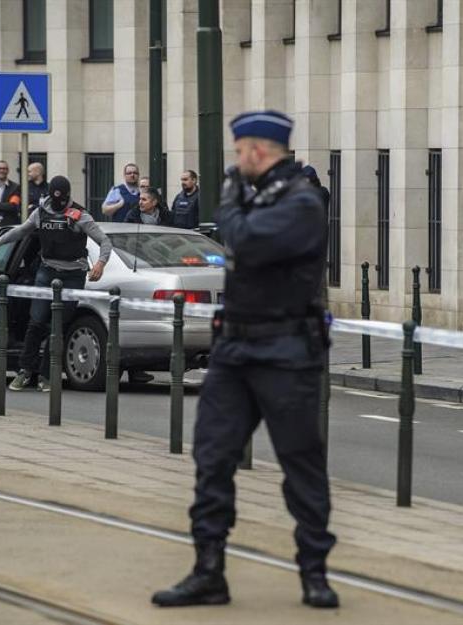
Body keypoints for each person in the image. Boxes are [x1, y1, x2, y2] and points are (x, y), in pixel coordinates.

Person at [152, 110, 338, 609]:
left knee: (301, 464)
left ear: (257, 150)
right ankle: (208, 570)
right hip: (234, 350)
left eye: (239, 152)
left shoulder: (302, 200)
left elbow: (245, 241)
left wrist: (231, 200)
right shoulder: (256, 196)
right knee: (212, 457)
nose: (235, 163)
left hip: (286, 351)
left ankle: (314, 572)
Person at [0, 175, 112, 392]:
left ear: (69, 196)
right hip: (46, 271)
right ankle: (25, 371)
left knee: (57, 325)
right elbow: (21, 230)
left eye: (63, 201)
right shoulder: (41, 211)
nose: (59, 205)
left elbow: (105, 241)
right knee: (36, 321)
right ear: (50, 196)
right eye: (55, 199)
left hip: (73, 276)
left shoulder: (79, 215)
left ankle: (47, 375)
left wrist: (100, 263)